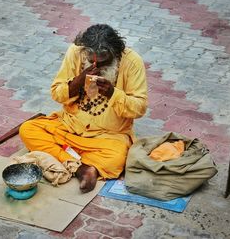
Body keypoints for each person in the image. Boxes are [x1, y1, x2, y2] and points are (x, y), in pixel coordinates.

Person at [19, 24, 148, 193]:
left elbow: (139, 108)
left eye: (103, 60)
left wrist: (112, 93)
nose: (96, 64)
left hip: (108, 135)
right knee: (28, 129)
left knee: (116, 158)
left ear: (115, 53)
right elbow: (57, 94)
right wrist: (78, 81)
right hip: (69, 126)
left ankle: (64, 157)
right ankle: (83, 169)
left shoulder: (132, 61)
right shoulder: (76, 52)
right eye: (91, 58)